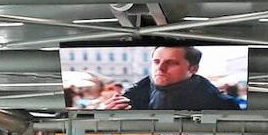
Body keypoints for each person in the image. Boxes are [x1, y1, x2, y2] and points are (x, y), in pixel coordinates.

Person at [99, 46, 239, 111]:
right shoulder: (130, 99)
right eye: (156, 62)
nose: (160, 68)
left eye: (171, 63)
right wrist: (106, 117)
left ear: (193, 69)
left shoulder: (222, 105)